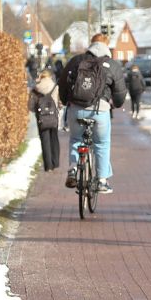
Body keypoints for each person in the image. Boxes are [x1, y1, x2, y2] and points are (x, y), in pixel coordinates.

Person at [58, 33, 126, 193]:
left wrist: (66, 100)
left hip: (76, 109)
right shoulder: (112, 64)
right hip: (99, 111)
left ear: (91, 44)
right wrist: (116, 104)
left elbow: (62, 83)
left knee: (75, 139)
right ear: (106, 45)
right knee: (101, 144)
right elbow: (120, 92)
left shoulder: (76, 61)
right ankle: (102, 180)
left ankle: (73, 169)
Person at [27, 70, 61, 172]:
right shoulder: (55, 86)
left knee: (45, 141)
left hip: (41, 118)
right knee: (54, 139)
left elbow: (31, 106)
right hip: (53, 116)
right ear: (50, 77)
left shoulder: (36, 88)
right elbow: (60, 102)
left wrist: (37, 111)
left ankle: (48, 165)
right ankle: (55, 162)